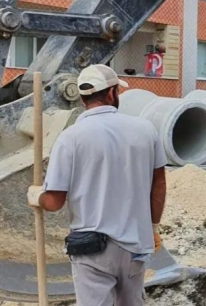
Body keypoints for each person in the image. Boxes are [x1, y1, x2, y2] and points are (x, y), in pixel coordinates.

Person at [27, 64, 168, 306]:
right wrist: (153, 226)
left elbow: (54, 202)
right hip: (134, 244)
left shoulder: (70, 138)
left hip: (92, 250)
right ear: (112, 93)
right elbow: (159, 184)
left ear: (82, 98)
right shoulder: (145, 130)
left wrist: (35, 196)